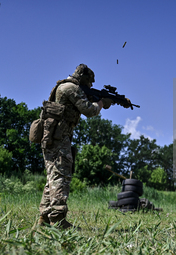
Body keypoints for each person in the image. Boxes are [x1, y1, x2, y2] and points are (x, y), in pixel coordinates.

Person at [37, 64, 114, 229]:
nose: (91, 85)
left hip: (54, 138)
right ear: (83, 77)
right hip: (59, 139)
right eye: (90, 81)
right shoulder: (71, 88)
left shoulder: (64, 86)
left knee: (53, 178)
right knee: (61, 177)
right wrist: (101, 103)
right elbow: (89, 111)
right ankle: (57, 220)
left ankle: (44, 218)